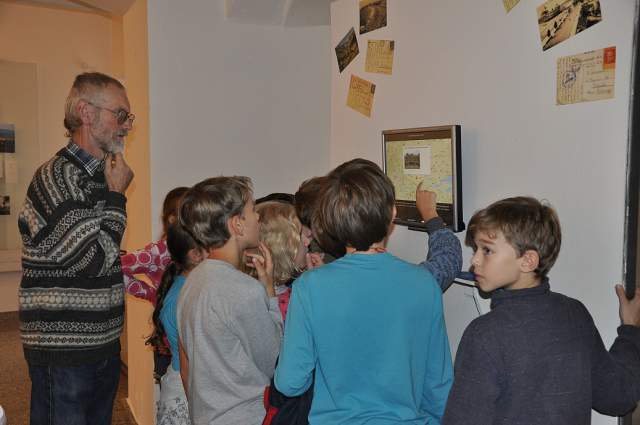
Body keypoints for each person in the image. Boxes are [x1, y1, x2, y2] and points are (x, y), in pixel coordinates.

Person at [274, 158, 453, 425]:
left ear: (330, 221)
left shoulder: (309, 286)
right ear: (392, 214)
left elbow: (290, 383)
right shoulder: (423, 283)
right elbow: (439, 387)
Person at [442, 197, 640, 424]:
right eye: (476, 249)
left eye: (487, 250)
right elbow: (619, 396)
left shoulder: (484, 335)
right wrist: (630, 331)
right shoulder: (574, 314)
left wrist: (629, 332)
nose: (474, 260)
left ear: (528, 261)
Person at [18, 72, 134, 425]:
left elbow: (103, 254)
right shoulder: (56, 177)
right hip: (64, 352)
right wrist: (117, 198)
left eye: (129, 117)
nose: (127, 126)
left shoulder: (103, 176)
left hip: (103, 344)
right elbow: (92, 261)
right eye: (120, 114)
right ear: (86, 112)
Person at [176, 177, 283, 425]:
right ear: (237, 224)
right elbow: (274, 363)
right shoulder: (243, 290)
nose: (258, 217)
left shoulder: (192, 281)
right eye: (253, 210)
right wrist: (270, 294)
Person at [148, 223, 205, 425]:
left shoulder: (190, 288)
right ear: (195, 255)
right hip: (186, 392)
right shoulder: (181, 298)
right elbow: (187, 363)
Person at [122, 186, 189, 304]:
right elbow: (118, 268)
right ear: (172, 219)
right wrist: (152, 295)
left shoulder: (204, 247)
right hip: (172, 313)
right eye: (190, 215)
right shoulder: (158, 252)